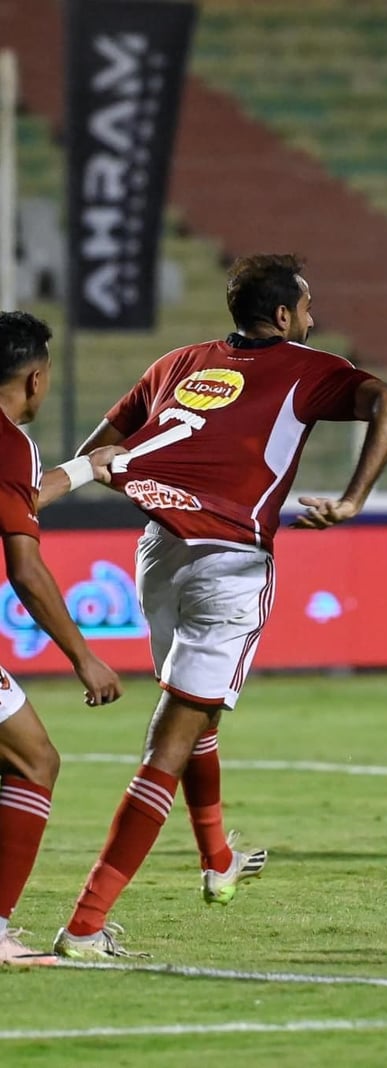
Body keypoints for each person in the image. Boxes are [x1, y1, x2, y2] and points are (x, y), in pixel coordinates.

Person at [53, 253, 387, 959]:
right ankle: (85, 926)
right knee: (172, 739)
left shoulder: (178, 363)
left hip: (158, 553)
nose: (312, 318)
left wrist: (163, 484)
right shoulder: (307, 368)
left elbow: (98, 453)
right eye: (306, 307)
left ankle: (219, 860)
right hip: (229, 561)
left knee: (195, 712)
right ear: (283, 315)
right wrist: (352, 500)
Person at [0, 311, 124, 965]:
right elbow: (25, 569)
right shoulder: (11, 442)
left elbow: (18, 496)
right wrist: (84, 657)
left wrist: (83, 469)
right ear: (35, 379)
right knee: (34, 762)